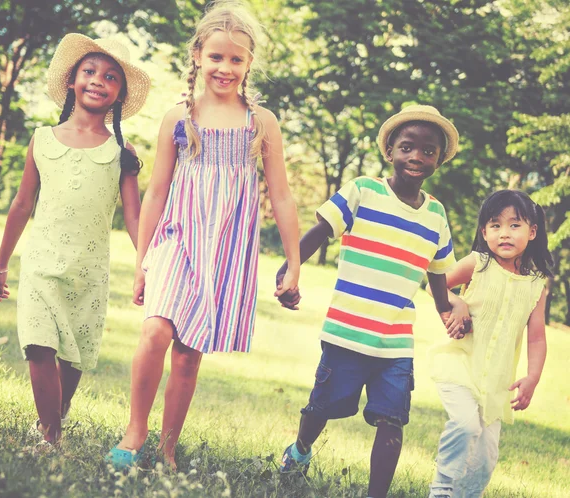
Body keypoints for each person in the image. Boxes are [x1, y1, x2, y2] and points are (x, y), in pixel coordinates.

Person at [107, 0, 300, 470]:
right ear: (197, 56)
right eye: (216, 57)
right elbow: (155, 194)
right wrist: (143, 261)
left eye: (236, 59)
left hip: (228, 251)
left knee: (190, 353)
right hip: (178, 239)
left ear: (249, 63)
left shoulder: (262, 122)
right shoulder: (179, 116)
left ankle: (169, 448)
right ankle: (136, 430)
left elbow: (282, 196)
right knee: (156, 330)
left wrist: (294, 264)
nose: (225, 67)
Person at [276, 105, 461, 498]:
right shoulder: (364, 190)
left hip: (396, 342)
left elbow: (439, 272)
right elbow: (322, 231)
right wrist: (290, 268)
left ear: (438, 160)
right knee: (321, 408)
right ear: (390, 149)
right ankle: (301, 450)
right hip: (347, 331)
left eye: (428, 151)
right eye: (408, 147)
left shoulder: (436, 215)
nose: (416, 157)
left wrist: (448, 307)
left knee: (393, 419)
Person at [0, 34, 149, 448]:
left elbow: (134, 215)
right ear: (72, 81)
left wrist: (146, 264)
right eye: (90, 72)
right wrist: (2, 264)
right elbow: (22, 204)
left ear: (119, 94)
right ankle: (51, 435)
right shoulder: (42, 139)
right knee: (37, 343)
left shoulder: (120, 151)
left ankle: (56, 414)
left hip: (89, 271)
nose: (99, 80)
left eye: (111, 77)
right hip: (41, 262)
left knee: (73, 356)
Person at [427, 189, 552, 498]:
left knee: (485, 457)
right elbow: (436, 287)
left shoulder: (537, 284)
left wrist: (532, 377)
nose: (504, 233)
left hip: (496, 380)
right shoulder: (478, 263)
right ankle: (441, 488)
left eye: (514, 225)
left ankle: (465, 495)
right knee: (466, 425)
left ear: (532, 231)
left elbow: (536, 336)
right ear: (484, 232)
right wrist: (456, 304)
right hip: (460, 364)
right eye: (495, 225)